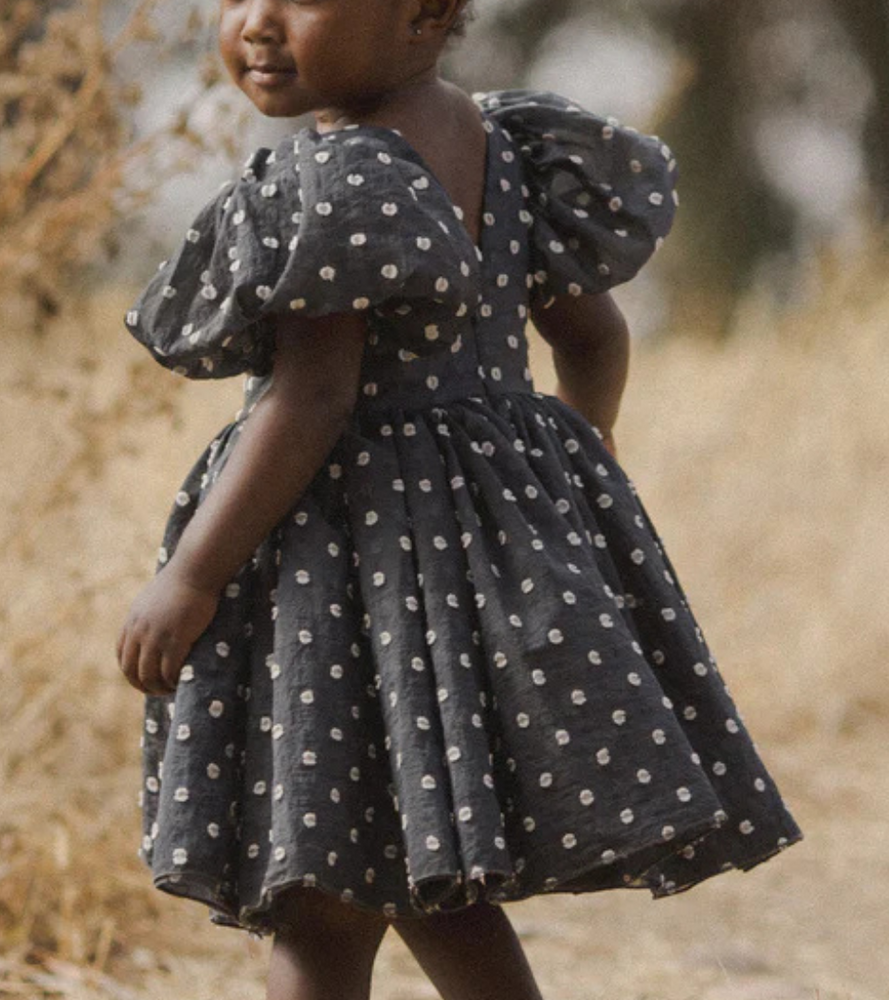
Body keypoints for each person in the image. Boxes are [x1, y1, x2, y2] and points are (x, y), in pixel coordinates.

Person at [117, 1, 803, 997]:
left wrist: (191, 575)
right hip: (465, 561)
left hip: (346, 570)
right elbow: (592, 335)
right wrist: (577, 454)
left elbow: (313, 400)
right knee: (420, 875)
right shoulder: (506, 147)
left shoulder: (333, 173)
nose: (255, 24)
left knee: (316, 902)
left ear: (424, 16)